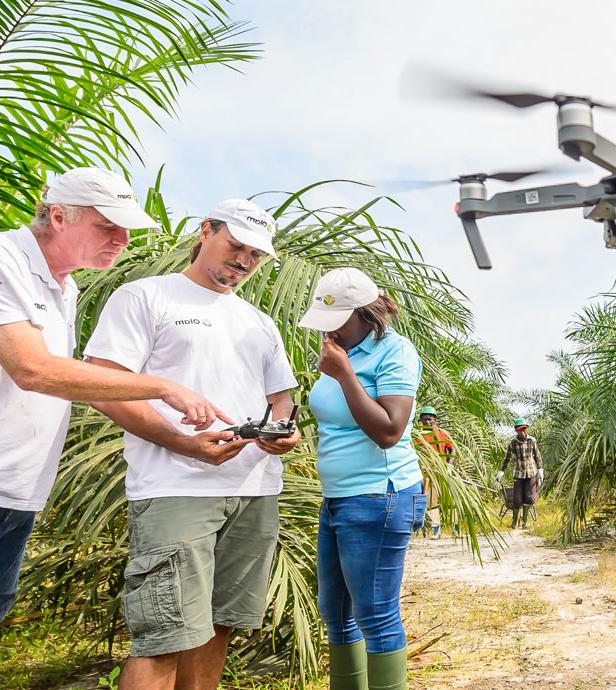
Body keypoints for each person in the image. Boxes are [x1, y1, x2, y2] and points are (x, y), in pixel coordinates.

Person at [0, 168, 227, 690]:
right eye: (108, 228)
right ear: (58, 215)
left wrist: (184, 441)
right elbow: (33, 369)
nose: (122, 242)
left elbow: (77, 384)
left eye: (126, 231)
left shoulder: (64, 287)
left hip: (14, 491)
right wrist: (161, 386)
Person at [83, 199, 302, 690]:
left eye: (256, 255)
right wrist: (185, 444)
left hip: (254, 489)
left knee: (218, 624)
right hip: (176, 488)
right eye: (236, 245)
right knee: (164, 635)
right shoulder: (145, 297)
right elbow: (103, 386)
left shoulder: (259, 323)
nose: (244, 260)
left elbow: (280, 400)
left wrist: (284, 433)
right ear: (206, 231)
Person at [300, 267, 424, 690]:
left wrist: (344, 376)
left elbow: (389, 430)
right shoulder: (343, 353)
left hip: (378, 497)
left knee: (375, 612)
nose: (328, 330)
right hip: (338, 498)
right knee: (335, 611)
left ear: (365, 313)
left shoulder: (394, 351)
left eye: (337, 321)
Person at [413, 406, 456, 537]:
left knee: (451, 501)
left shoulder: (442, 433)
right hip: (427, 474)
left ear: (435, 420)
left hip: (443, 472)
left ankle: (456, 528)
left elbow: (452, 449)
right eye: (424, 420)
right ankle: (436, 530)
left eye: (429, 419)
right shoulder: (418, 436)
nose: (427, 422)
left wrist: (449, 466)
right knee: (431, 503)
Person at [500, 419, 541, 528]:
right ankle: (514, 521)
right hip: (518, 473)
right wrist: (501, 471)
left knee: (528, 498)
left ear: (526, 429)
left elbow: (537, 456)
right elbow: (507, 458)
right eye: (520, 430)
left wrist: (540, 469)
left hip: (531, 472)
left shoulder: (532, 440)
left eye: (523, 429)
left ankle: (525, 522)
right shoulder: (512, 443)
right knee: (517, 499)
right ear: (516, 431)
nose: (522, 432)